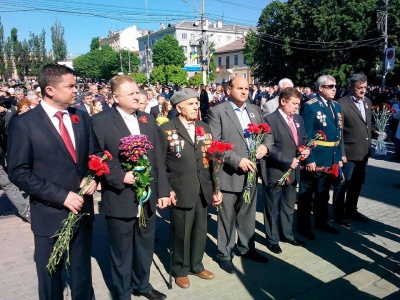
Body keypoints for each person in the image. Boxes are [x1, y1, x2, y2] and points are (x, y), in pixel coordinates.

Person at [7, 64, 99, 299]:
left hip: (83, 211)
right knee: (51, 278)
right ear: (49, 90)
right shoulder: (24, 123)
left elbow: (95, 154)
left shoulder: (81, 116)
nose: (76, 91)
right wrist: (61, 196)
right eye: (70, 86)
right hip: (50, 214)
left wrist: (95, 178)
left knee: (82, 275)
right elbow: (18, 172)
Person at [91, 75, 170, 300]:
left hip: (148, 197)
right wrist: (119, 176)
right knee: (122, 250)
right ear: (115, 97)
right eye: (131, 93)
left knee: (145, 245)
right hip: (120, 197)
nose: (137, 96)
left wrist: (163, 191)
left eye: (137, 92)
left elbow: (157, 158)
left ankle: (142, 285)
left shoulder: (147, 119)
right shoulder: (100, 121)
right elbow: (97, 157)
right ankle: (123, 292)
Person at [159, 88, 222, 289]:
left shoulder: (204, 127)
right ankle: (180, 269)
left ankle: (196, 264)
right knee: (181, 232)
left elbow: (212, 160)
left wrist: (217, 188)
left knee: (200, 230)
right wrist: (165, 189)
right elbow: (160, 164)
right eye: (191, 103)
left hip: (203, 188)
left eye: (196, 103)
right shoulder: (166, 129)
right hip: (180, 190)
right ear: (179, 107)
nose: (196, 106)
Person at [208, 76, 270, 274]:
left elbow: (267, 134)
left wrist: (264, 146)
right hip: (230, 173)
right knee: (227, 217)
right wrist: (237, 160)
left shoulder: (254, 110)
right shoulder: (218, 112)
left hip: (251, 174)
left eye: (247, 88)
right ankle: (225, 254)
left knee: (247, 214)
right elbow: (214, 145)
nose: (244, 92)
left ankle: (246, 247)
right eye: (240, 88)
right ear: (228, 90)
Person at [261, 87, 308, 254]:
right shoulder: (269, 120)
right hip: (276, 171)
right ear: (283, 101)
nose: (297, 107)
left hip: (294, 172)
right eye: (294, 104)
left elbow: (303, 139)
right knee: (272, 207)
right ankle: (272, 239)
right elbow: (269, 147)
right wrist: (287, 160)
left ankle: (287, 234)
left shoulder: (298, 119)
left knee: (288, 206)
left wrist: (306, 149)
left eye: (298, 104)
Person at [297, 75, 343, 240]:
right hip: (315, 157)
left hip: (329, 157)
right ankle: (303, 226)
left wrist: (339, 154)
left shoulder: (336, 106)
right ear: (320, 88)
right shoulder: (310, 106)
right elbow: (305, 134)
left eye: (335, 86)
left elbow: (339, 133)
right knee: (306, 194)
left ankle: (321, 222)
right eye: (330, 86)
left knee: (323, 193)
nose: (334, 89)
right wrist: (309, 159)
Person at [332, 74, 372, 225]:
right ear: (351, 88)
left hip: (363, 152)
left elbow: (367, 124)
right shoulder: (341, 104)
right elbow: (339, 131)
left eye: (365, 87)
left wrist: (375, 133)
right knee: (343, 183)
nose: (362, 91)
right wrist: (340, 153)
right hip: (348, 152)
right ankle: (338, 214)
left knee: (357, 183)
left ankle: (351, 210)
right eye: (359, 88)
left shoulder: (367, 102)